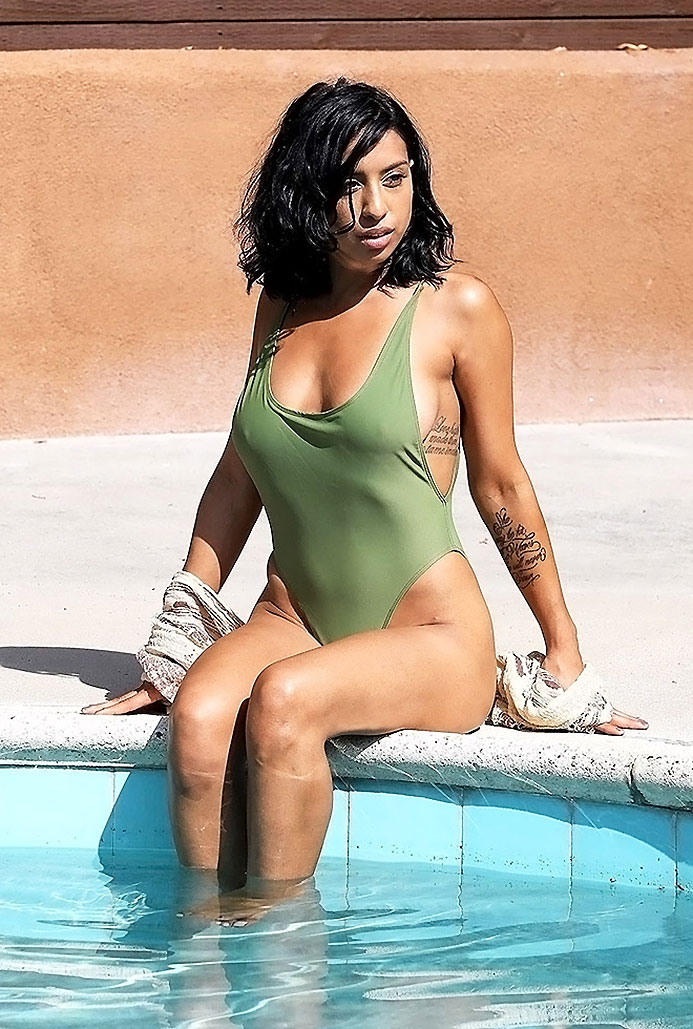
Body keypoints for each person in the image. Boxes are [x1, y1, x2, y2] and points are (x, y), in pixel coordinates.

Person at [82, 78, 648, 924]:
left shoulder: (455, 307)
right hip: (293, 613)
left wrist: (563, 652)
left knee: (284, 699)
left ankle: (279, 950)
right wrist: (178, 635)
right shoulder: (281, 306)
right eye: (347, 185)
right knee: (198, 712)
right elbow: (239, 472)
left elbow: (500, 484)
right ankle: (197, 956)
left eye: (394, 177)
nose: (375, 207)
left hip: (430, 631)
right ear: (303, 194)